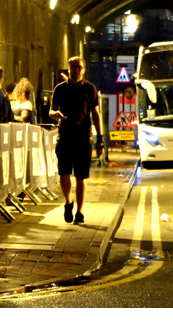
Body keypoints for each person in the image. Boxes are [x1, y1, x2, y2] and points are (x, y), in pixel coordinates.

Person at [49, 57, 102, 225]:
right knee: (64, 173)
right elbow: (51, 111)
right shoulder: (60, 89)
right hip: (65, 136)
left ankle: (79, 211)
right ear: (68, 68)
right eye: (73, 67)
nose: (76, 69)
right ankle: (68, 202)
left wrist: (100, 139)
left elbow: (95, 114)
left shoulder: (90, 89)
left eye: (79, 67)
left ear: (83, 69)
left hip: (83, 138)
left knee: (81, 176)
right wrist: (55, 114)